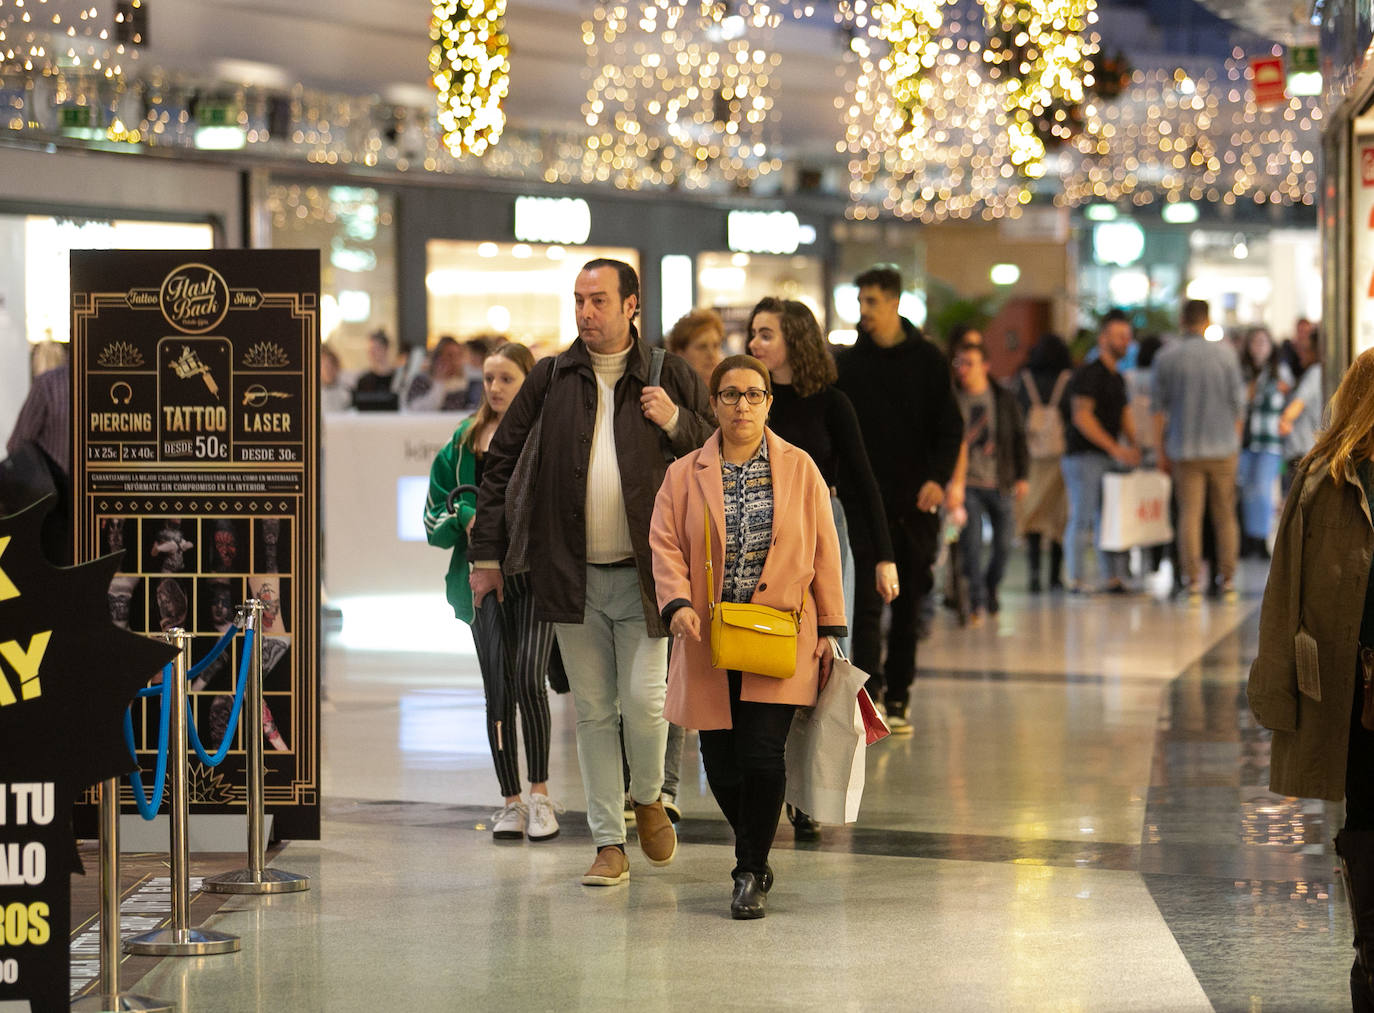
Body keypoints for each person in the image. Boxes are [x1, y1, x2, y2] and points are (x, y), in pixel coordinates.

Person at [468, 258, 714, 887]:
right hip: (569, 573)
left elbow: (718, 455)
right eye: (579, 300)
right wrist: (487, 557)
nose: (585, 312)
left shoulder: (668, 373)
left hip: (650, 575)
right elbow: (499, 463)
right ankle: (609, 842)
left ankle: (650, 796)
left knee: (644, 700)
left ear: (632, 305)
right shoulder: (552, 377)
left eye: (599, 300)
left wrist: (677, 421)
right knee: (595, 711)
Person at [650, 354, 846, 919]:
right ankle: (756, 848)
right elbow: (663, 543)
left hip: (780, 634)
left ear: (769, 403)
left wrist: (831, 627)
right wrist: (678, 601)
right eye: (731, 394)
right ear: (712, 404)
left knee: (762, 755)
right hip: (707, 637)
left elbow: (825, 550)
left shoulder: (800, 467)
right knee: (722, 762)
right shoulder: (683, 473)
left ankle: (748, 870)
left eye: (754, 394)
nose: (742, 405)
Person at [1246, 348, 1374, 1010]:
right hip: (1354, 689)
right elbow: (1283, 592)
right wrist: (1277, 690)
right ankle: (1372, 955)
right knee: (1367, 811)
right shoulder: (1326, 477)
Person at [746, 296, 896, 840]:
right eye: (753, 333)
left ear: (795, 340)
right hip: (760, 536)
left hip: (821, 531)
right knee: (770, 661)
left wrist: (884, 554)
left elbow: (862, 479)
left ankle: (809, 790)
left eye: (766, 334)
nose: (754, 344)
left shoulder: (831, 403)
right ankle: (772, 779)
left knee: (823, 659)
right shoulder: (749, 400)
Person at [424, 341, 561, 842]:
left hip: (535, 577)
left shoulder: (544, 436)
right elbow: (433, 517)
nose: (496, 388)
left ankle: (542, 794)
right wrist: (466, 516)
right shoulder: (462, 442)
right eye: (489, 378)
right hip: (478, 579)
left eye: (507, 379)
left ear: (528, 384)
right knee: (498, 690)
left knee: (529, 678)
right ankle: (511, 801)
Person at [834, 266, 963, 732]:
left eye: (871, 301)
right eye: (860, 302)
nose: (864, 311)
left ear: (894, 302)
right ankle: (871, 695)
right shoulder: (848, 365)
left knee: (908, 604)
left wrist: (938, 478)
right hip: (864, 503)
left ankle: (901, 694)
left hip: (916, 504)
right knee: (866, 606)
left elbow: (950, 427)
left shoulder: (928, 360)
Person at [1152, 299, 1245, 600]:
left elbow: (1157, 410)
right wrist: (1236, 444)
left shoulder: (1167, 357)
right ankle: (1227, 578)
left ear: (1182, 320)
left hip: (1184, 447)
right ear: (1207, 320)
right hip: (1223, 448)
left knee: (1189, 515)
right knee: (1225, 515)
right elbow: (1238, 406)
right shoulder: (1227, 356)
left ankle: (1191, 580)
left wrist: (1159, 450)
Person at [1060, 310, 1141, 594]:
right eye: (1119, 336)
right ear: (1103, 338)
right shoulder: (1088, 373)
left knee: (1110, 518)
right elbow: (1082, 417)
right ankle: (1076, 578)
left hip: (1107, 457)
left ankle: (1113, 577)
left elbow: (1124, 415)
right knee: (1082, 517)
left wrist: (1135, 446)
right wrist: (1116, 447)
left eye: (1128, 337)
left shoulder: (1117, 378)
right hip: (1083, 456)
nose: (1125, 342)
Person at [949, 340, 1028, 624]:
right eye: (959, 363)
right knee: (970, 545)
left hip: (1000, 480)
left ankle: (991, 585)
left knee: (1004, 545)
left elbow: (1019, 437)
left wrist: (1022, 475)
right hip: (967, 483)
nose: (963, 370)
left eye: (969, 363)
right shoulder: (953, 398)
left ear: (985, 366)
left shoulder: (1003, 398)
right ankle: (977, 600)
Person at [1015, 332, 1072, 593]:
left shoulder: (1024, 381)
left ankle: (1034, 574)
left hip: (1031, 459)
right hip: (1060, 459)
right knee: (1059, 517)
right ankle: (1055, 576)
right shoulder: (1068, 381)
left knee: (1033, 516)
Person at [1238, 326, 1292, 558]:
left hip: (1270, 441)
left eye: (1263, 342)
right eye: (1255, 342)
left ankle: (1259, 538)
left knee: (1262, 488)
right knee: (1246, 489)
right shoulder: (1243, 372)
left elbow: (1290, 399)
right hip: (1246, 440)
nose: (1259, 347)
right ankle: (1249, 539)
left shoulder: (1280, 371)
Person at [1280, 323, 1324, 495]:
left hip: (1303, 451)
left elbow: (1297, 404)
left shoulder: (1314, 372)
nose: (1300, 354)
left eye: (1305, 349)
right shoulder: (1314, 373)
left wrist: (1285, 419)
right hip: (1305, 450)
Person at [404, 336, 468, 412]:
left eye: (458, 355)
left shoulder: (465, 385)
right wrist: (439, 382)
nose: (455, 360)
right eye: (450, 355)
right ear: (437, 357)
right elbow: (416, 410)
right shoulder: (421, 381)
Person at [666, 308, 726, 389]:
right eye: (702, 347)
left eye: (715, 346)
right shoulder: (668, 394)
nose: (711, 354)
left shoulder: (726, 392)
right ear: (680, 353)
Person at [352, 329, 400, 411]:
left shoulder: (399, 378)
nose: (373, 353)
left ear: (386, 348)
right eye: (370, 350)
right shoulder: (363, 381)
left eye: (376, 348)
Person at [320, 344, 352, 413]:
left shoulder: (347, 391)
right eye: (325, 366)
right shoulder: (312, 394)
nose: (328, 370)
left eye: (331, 365)